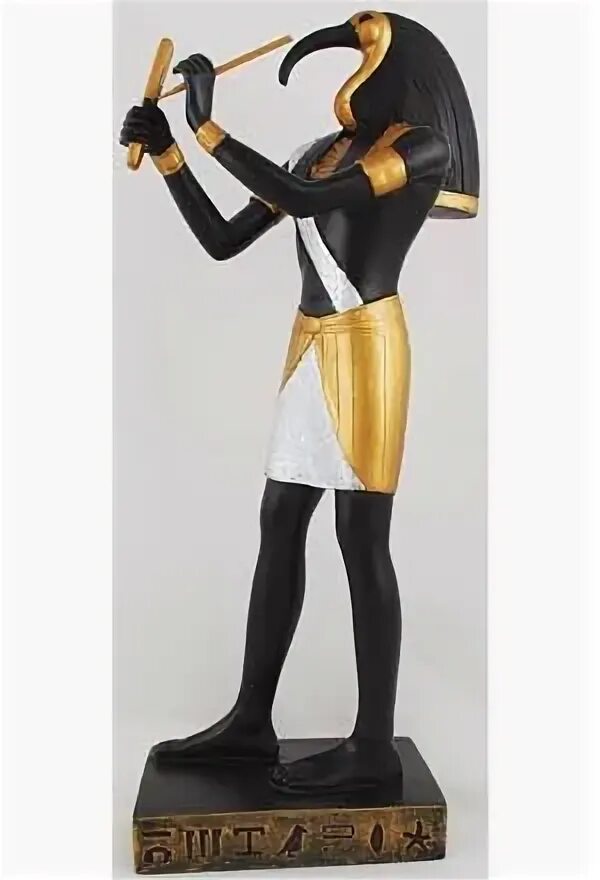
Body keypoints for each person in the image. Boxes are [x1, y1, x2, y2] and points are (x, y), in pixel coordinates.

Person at [120, 10, 479, 793]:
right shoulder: (317, 152)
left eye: (361, 50)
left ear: (393, 68)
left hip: (367, 344)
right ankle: (251, 721)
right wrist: (173, 154)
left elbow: (299, 199)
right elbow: (223, 239)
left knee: (360, 534)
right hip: (308, 342)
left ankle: (373, 745)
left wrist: (207, 128)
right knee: (280, 518)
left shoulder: (419, 147)